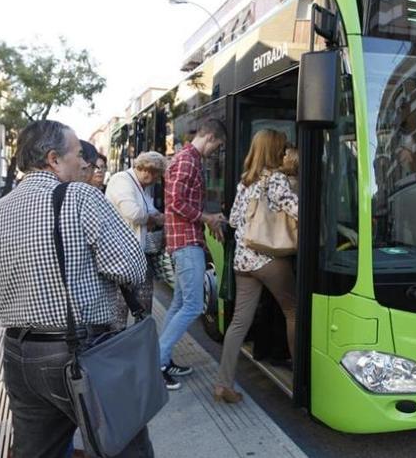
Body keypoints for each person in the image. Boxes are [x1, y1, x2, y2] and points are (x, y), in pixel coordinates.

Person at [0, 120, 150, 457]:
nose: (84, 162)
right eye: (77, 154)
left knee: (37, 451)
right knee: (124, 446)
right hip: (79, 350)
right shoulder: (80, 195)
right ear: (54, 159)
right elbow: (131, 269)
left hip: (18, 353)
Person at [214, 129, 298, 404]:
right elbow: (300, 211)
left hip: (243, 261)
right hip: (269, 259)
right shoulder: (276, 179)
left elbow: (233, 221)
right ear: (274, 150)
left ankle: (223, 384)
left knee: (239, 322)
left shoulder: (245, 181)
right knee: (293, 312)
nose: (285, 152)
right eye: (282, 147)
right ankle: (301, 380)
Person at [159, 119, 227, 390]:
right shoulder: (188, 160)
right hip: (186, 243)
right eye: (217, 146)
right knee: (192, 306)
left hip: (185, 241)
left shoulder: (189, 158)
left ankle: (163, 358)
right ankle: (158, 363)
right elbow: (175, 202)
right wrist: (206, 218)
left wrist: (207, 219)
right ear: (209, 137)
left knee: (179, 303)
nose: (215, 151)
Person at [105, 151, 167, 330]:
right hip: (122, 254)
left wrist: (158, 216)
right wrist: (153, 218)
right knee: (121, 305)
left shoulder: (139, 185)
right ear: (148, 171)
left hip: (137, 253)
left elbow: (148, 208)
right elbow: (132, 212)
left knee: (143, 303)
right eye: (157, 176)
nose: (156, 181)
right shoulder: (122, 180)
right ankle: (117, 340)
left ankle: (141, 337)